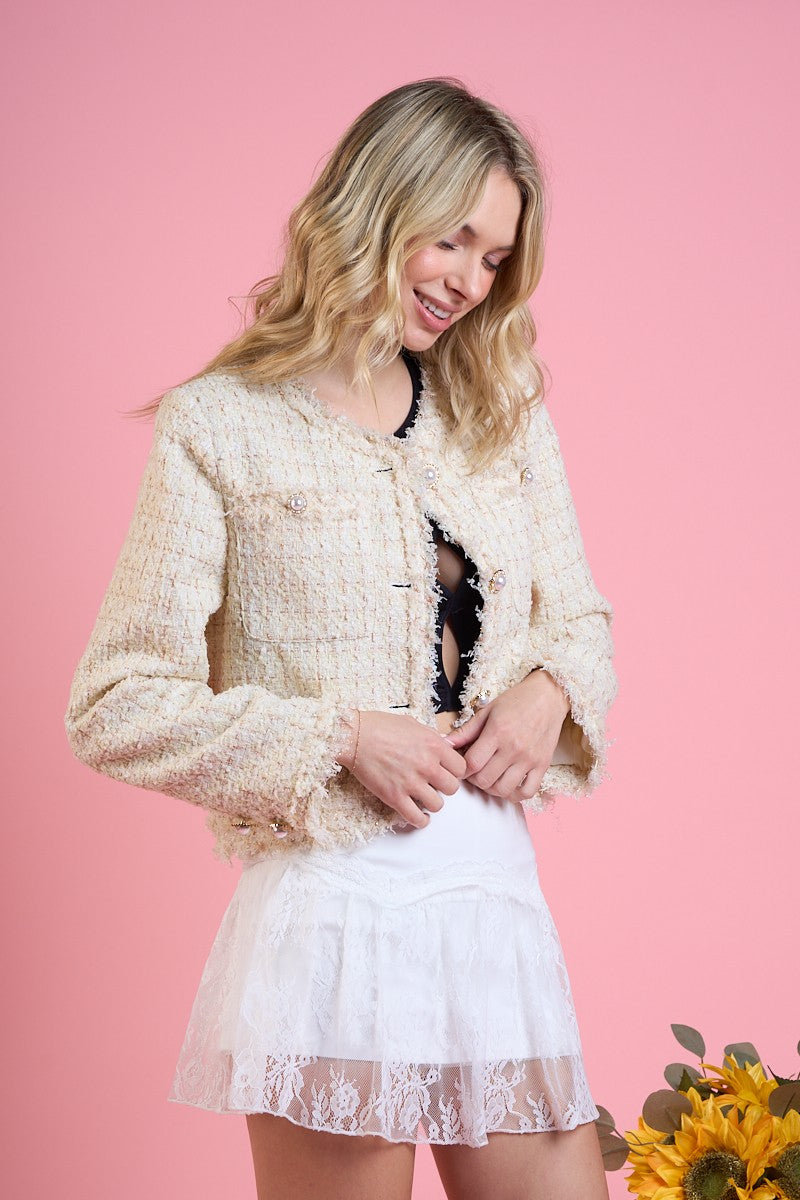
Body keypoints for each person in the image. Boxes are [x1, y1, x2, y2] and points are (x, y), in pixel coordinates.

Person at [64, 78, 616, 1200]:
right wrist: (339, 737)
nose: (469, 281)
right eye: (449, 239)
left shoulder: (499, 409)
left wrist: (550, 689)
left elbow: (579, 618)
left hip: (493, 910)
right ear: (373, 207)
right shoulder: (222, 423)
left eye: (494, 257)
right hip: (332, 924)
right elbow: (115, 703)